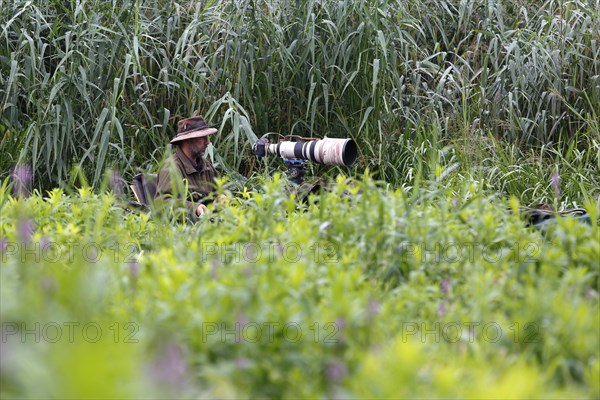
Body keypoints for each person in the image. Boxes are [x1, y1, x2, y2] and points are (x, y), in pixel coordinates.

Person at [155, 116, 220, 219]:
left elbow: (218, 191)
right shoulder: (171, 168)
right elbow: (162, 204)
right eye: (201, 138)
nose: (207, 142)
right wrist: (194, 208)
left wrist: (221, 199)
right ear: (187, 141)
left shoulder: (206, 166)